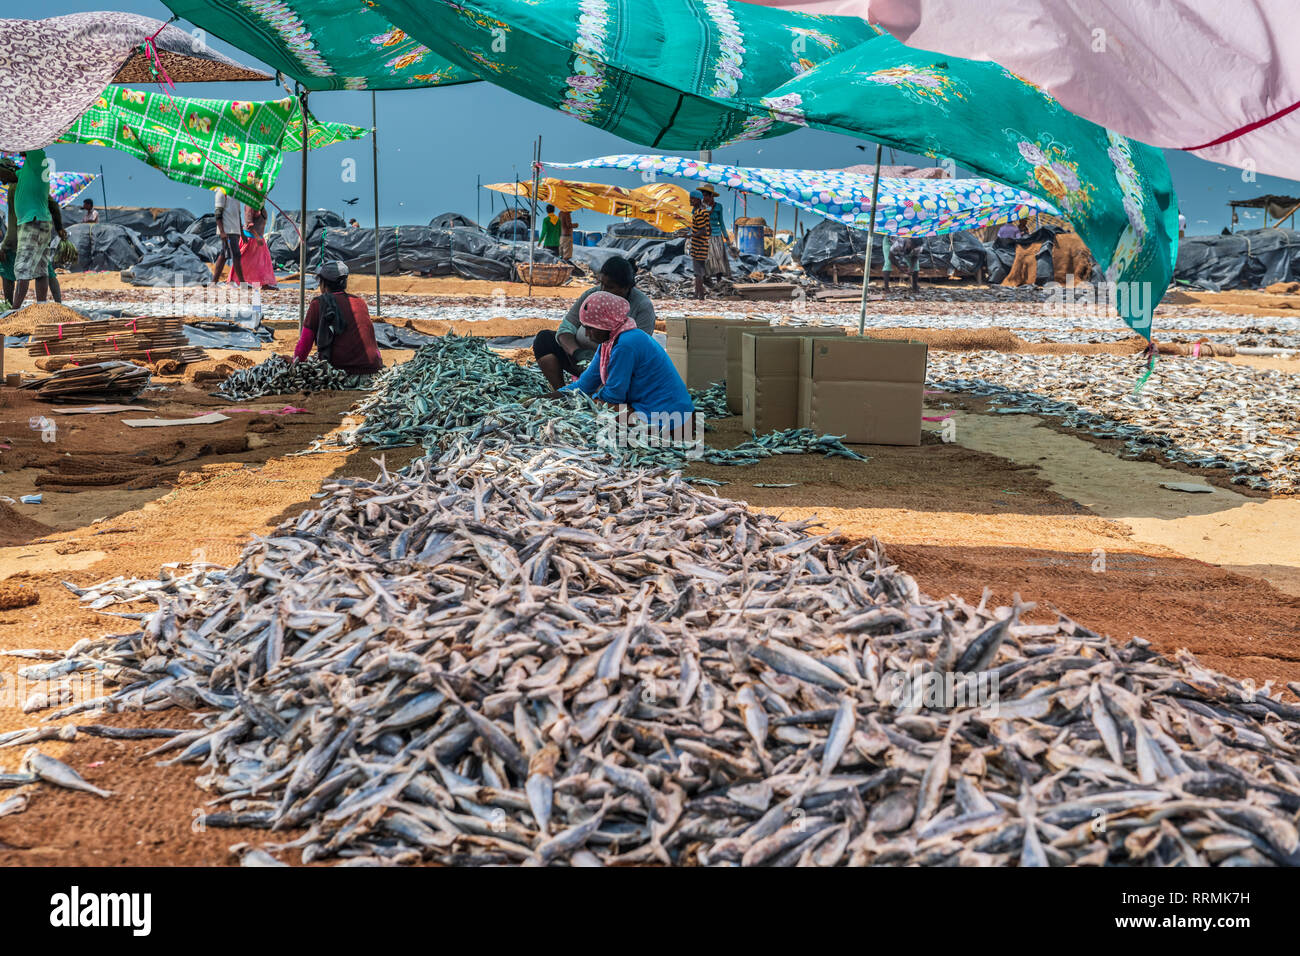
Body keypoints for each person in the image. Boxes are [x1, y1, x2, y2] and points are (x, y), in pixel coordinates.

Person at [536, 290, 694, 434]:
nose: (587, 334)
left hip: (672, 416)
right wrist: (543, 399)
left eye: (591, 328)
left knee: (598, 408)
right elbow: (583, 385)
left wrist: (594, 399)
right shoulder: (609, 342)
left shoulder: (626, 344)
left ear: (606, 323)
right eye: (585, 327)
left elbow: (613, 395)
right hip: (657, 410)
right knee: (595, 403)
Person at [531, 254, 656, 390]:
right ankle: (561, 391)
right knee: (544, 339)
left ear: (626, 288)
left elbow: (638, 350)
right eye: (601, 283)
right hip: (582, 362)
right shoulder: (593, 295)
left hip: (617, 366)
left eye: (610, 286)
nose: (603, 290)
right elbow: (565, 329)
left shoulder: (642, 306)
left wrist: (604, 360)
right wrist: (578, 353)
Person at [291, 260, 383, 375]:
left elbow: (305, 343)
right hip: (373, 369)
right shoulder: (360, 302)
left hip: (340, 372)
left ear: (323, 284)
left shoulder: (318, 303)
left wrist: (294, 361)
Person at [5, 150, 68, 310]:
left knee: (22, 267)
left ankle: (15, 310)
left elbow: (31, 143)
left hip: (32, 221)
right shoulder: (28, 170)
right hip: (40, 221)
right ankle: (41, 306)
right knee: (41, 269)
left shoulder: (36, 154)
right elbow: (10, 175)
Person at [229, 204, 277, 289]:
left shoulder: (260, 205)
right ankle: (233, 281)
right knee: (244, 261)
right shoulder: (250, 205)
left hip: (258, 238)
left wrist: (259, 238)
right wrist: (257, 237)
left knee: (263, 262)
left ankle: (264, 284)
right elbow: (249, 224)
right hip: (250, 238)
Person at [213, 190, 245, 284]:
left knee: (223, 255)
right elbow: (218, 214)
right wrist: (222, 232)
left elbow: (238, 216)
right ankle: (242, 284)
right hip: (227, 231)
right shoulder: (221, 193)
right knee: (236, 255)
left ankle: (213, 282)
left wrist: (241, 233)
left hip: (234, 231)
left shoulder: (236, 195)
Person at [700, 184, 730, 281]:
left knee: (719, 257)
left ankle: (719, 280)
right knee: (707, 257)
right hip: (705, 236)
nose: (704, 197)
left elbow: (721, 222)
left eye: (705, 195)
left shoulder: (718, 207)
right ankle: (705, 278)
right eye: (703, 195)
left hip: (717, 235)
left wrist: (726, 236)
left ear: (711, 196)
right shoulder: (699, 207)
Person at [689, 190, 711, 300]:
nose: (690, 200)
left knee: (698, 273)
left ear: (698, 199)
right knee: (700, 272)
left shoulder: (698, 213)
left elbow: (703, 231)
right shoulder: (705, 211)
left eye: (692, 198)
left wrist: (690, 235)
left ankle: (699, 295)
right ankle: (697, 294)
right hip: (703, 245)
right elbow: (709, 230)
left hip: (698, 247)